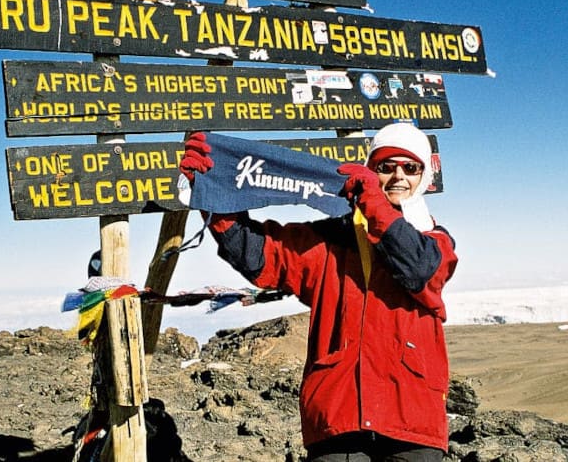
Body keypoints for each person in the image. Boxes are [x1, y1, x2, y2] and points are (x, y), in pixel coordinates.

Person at [179, 123, 459, 461]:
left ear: (423, 177)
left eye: (410, 168)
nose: (399, 176)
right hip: (337, 418)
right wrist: (213, 190)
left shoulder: (436, 242)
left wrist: (372, 203)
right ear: (372, 171)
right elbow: (259, 255)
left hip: (412, 421)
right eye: (386, 167)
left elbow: (417, 268)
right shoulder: (330, 242)